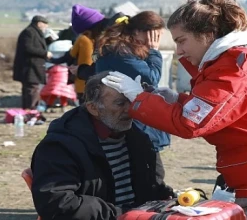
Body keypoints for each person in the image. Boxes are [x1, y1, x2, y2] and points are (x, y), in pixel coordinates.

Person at [102, 0, 247, 219]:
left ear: (207, 34)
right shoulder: (235, 61)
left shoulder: (235, 69)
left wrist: (139, 97)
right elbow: (217, 110)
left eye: (182, 41)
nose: (179, 51)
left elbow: (189, 123)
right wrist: (175, 99)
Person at [30, 71, 175, 220]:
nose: (129, 109)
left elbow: (154, 186)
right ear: (93, 108)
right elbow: (57, 203)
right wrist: (123, 214)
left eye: (131, 101)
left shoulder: (137, 137)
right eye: (120, 103)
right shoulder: (60, 146)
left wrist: (175, 201)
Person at [77, 11, 171, 152]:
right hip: (128, 121)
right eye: (154, 35)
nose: (156, 40)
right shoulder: (122, 52)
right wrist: (154, 51)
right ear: (139, 31)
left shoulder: (122, 50)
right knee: (150, 171)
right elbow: (151, 79)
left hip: (128, 120)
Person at [13, 15, 53, 109]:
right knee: (32, 88)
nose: (46, 27)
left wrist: (48, 40)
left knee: (32, 88)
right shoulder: (29, 32)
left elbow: (37, 45)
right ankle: (31, 110)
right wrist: (45, 53)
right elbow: (28, 48)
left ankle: (29, 109)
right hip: (29, 67)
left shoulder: (35, 32)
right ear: (39, 24)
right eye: (45, 25)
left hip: (33, 66)